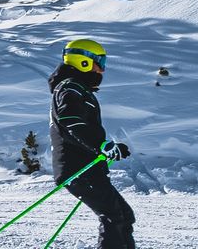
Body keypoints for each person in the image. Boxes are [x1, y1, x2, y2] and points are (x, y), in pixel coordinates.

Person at [48, 39, 136, 249]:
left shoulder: (78, 89)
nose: (102, 70)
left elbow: (80, 125)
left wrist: (108, 146)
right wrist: (102, 145)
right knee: (113, 215)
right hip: (77, 168)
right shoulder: (70, 88)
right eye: (99, 63)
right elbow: (72, 121)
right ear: (83, 62)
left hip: (87, 167)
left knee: (124, 215)